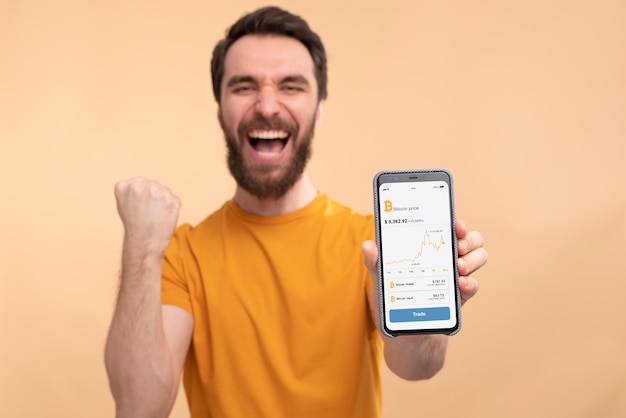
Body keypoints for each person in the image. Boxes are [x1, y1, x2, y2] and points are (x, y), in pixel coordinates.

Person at [104, 6, 487, 418]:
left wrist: (419, 328)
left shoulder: (372, 244)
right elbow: (139, 408)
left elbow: (417, 367)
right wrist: (142, 249)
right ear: (220, 110)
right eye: (244, 86)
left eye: (291, 87)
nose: (267, 106)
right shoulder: (182, 255)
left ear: (318, 109)